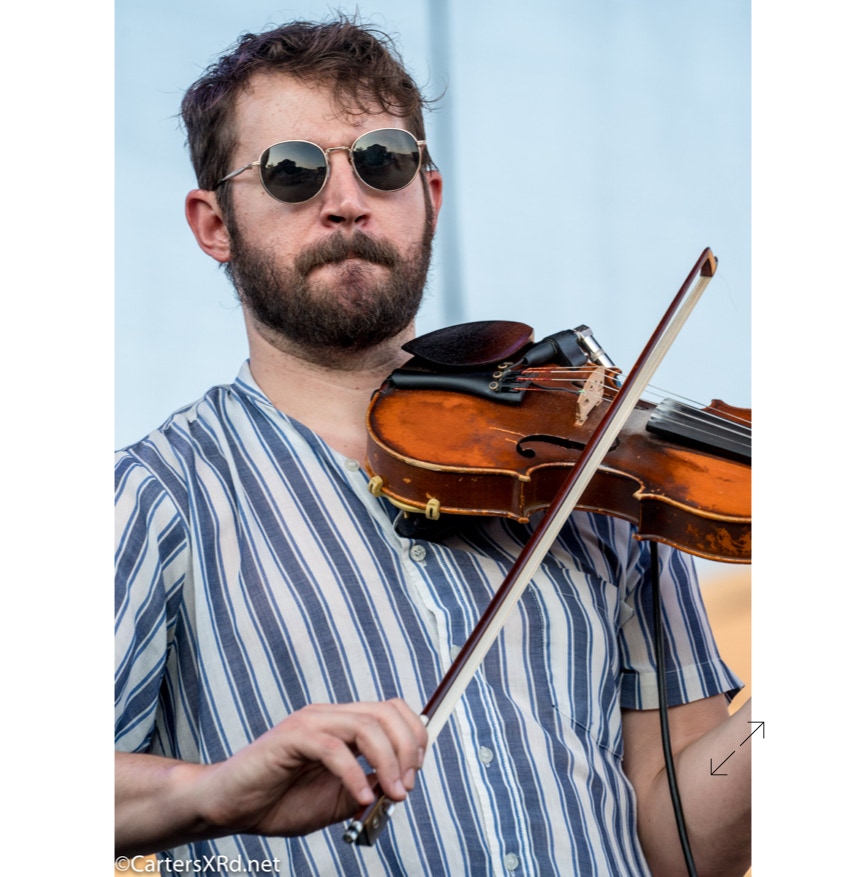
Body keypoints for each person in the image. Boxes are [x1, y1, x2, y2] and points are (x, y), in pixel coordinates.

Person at [115, 16, 751, 877]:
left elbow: (682, 844)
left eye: (382, 161)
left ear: (430, 193)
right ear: (213, 223)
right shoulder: (158, 495)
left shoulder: (599, 470)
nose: (347, 199)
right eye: (294, 171)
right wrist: (215, 789)